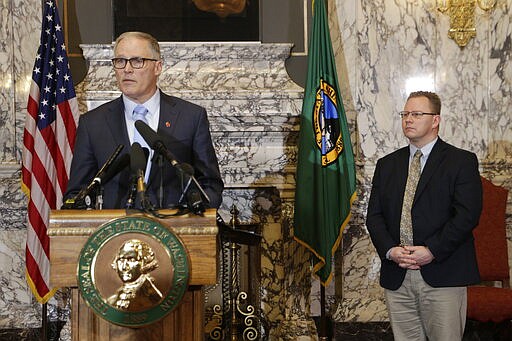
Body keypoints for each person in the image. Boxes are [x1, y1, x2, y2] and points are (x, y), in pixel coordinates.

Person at [366, 91, 482, 340]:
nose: (408, 119)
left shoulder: (461, 161)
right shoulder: (387, 164)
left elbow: (466, 216)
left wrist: (431, 250)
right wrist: (390, 251)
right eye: (405, 114)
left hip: (443, 272)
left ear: (435, 120)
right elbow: (374, 216)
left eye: (417, 114)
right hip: (398, 273)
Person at [63, 31, 223, 209]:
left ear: (158, 67)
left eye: (137, 61)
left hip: (174, 232)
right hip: (117, 232)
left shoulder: (191, 117)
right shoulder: (92, 123)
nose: (127, 69)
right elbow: (77, 192)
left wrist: (192, 221)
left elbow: (210, 185)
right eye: (120, 61)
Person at [107, 239, 163, 311]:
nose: (124, 267)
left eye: (131, 260)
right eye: (121, 260)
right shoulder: (112, 300)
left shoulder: (153, 298)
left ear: (145, 263)